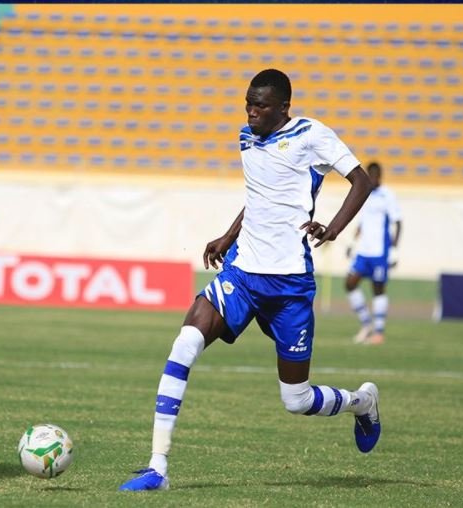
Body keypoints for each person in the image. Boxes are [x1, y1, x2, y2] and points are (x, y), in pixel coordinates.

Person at [119, 69, 380, 492]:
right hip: (242, 274)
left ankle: (362, 402)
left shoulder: (313, 135)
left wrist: (331, 229)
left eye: (260, 105)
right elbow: (261, 198)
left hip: (289, 285)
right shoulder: (247, 138)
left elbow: (361, 181)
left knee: (296, 399)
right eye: (247, 103)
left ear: (283, 108)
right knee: (185, 342)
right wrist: (228, 235)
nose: (251, 111)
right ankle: (157, 468)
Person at [345, 161, 402, 345]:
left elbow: (397, 222)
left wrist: (394, 250)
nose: (374, 178)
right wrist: (352, 243)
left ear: (380, 176)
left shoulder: (388, 195)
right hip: (363, 251)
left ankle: (378, 332)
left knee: (378, 289)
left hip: (379, 252)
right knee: (350, 283)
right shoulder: (364, 195)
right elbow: (361, 222)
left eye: (376, 175)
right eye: (371, 175)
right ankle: (366, 324)